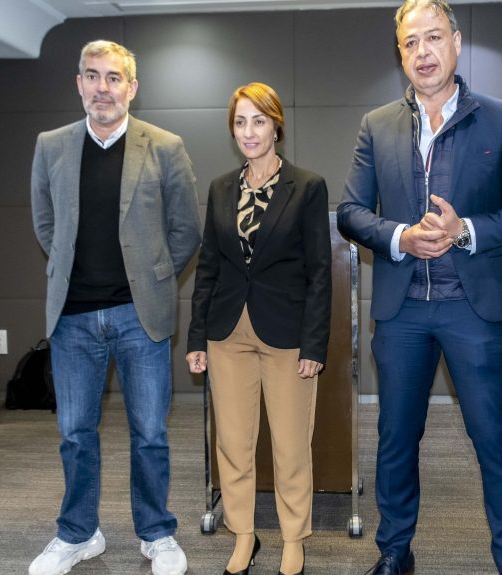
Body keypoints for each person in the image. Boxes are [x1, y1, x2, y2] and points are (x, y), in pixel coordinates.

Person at [337, 1, 502, 573]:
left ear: (456, 43)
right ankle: (394, 554)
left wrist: (466, 231)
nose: (423, 52)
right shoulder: (376, 124)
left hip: (474, 312)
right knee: (396, 442)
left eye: (434, 38)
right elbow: (351, 212)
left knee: (494, 441)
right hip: (402, 312)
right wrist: (401, 237)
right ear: (400, 53)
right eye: (411, 43)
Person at [29, 40, 200, 575]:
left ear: (132, 87)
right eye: (93, 76)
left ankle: (156, 533)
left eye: (114, 78)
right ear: (78, 83)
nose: (103, 88)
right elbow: (45, 223)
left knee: (149, 432)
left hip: (138, 315)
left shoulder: (165, 146)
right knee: (74, 435)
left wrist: (151, 276)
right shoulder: (51, 145)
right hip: (73, 319)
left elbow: (185, 230)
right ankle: (78, 534)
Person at [186, 82, 332, 575]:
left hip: (287, 335)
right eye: (240, 122)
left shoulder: (307, 187)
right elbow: (208, 268)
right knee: (233, 442)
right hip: (227, 334)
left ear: (276, 126)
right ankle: (243, 536)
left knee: (291, 446)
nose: (249, 132)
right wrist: (195, 338)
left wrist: (315, 342)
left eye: (258, 121)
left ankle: (294, 539)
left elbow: (319, 272)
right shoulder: (221, 188)